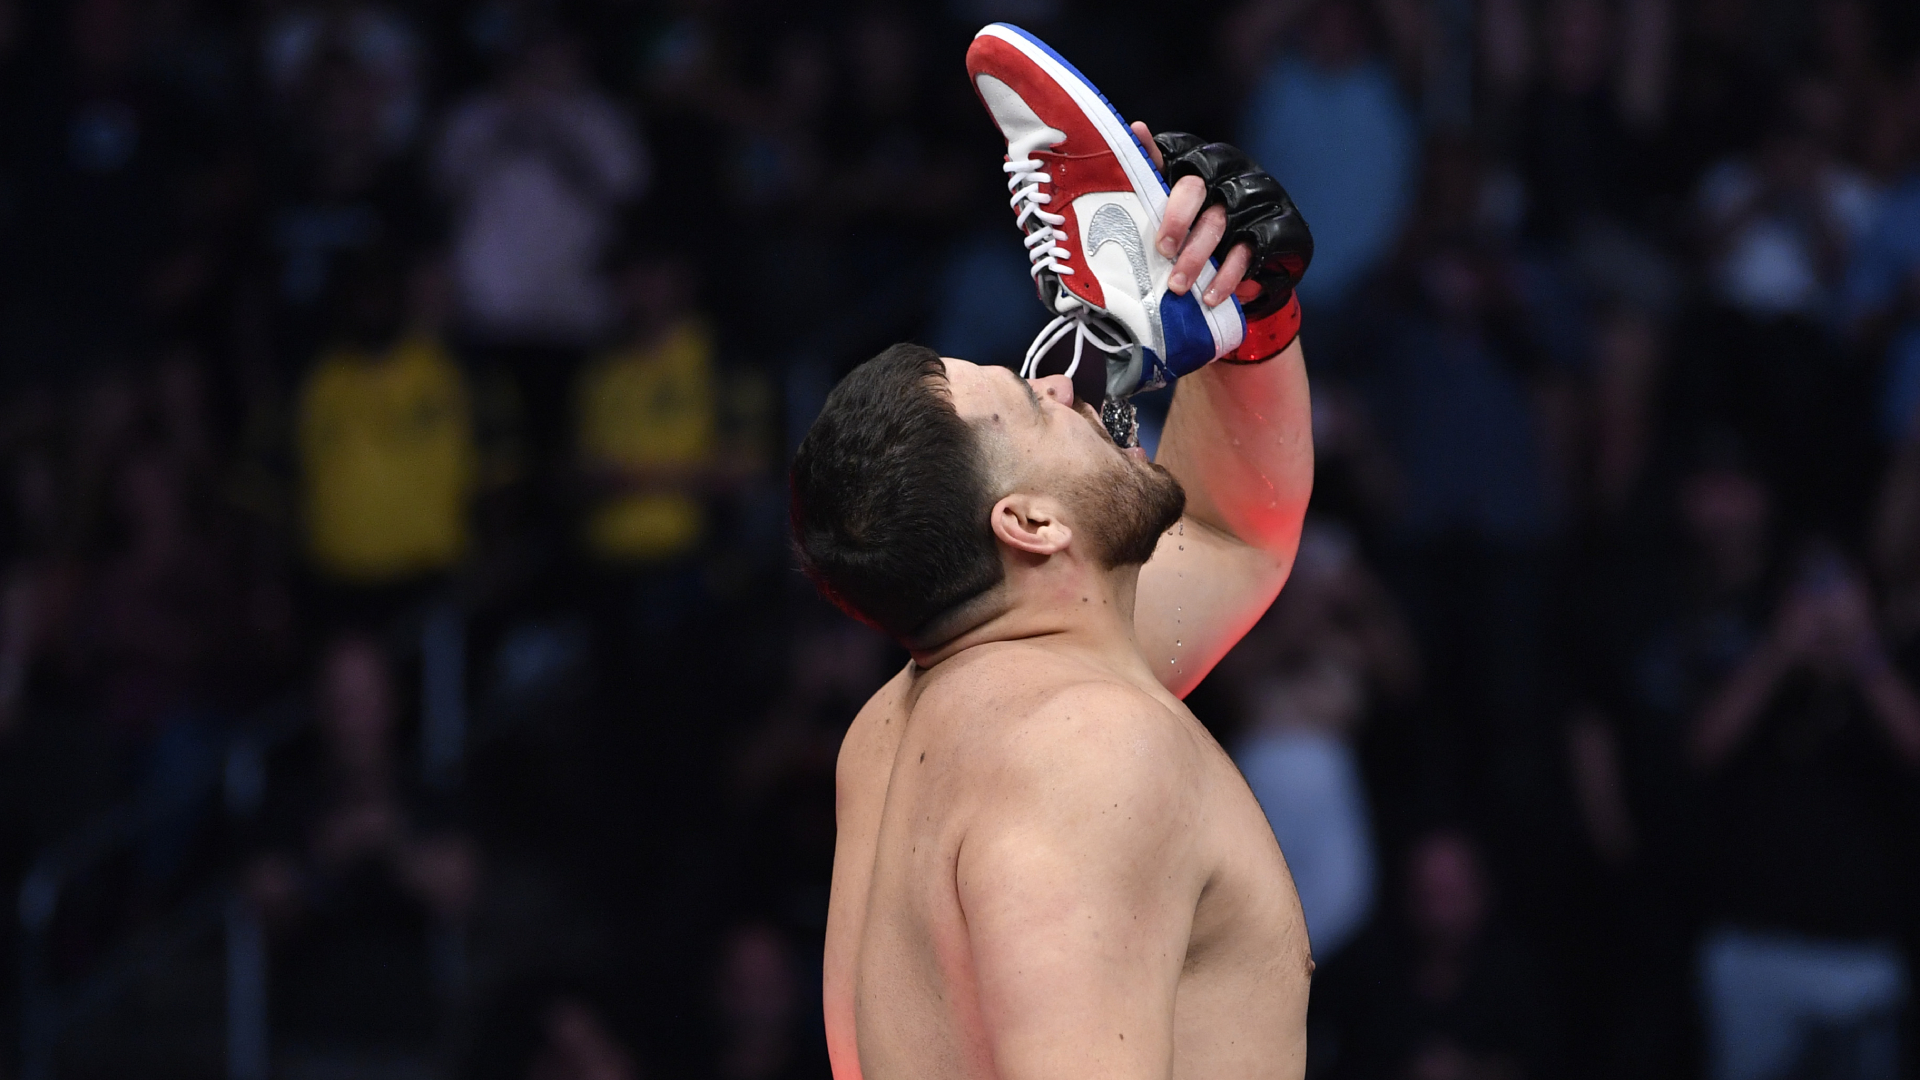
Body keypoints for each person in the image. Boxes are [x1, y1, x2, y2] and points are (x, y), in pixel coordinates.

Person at [792, 102, 1315, 1080]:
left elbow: (1232, 531)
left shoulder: (900, 732)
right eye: (1035, 406)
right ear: (1029, 525)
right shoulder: (1088, 751)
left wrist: (1253, 317)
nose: (1067, 385)